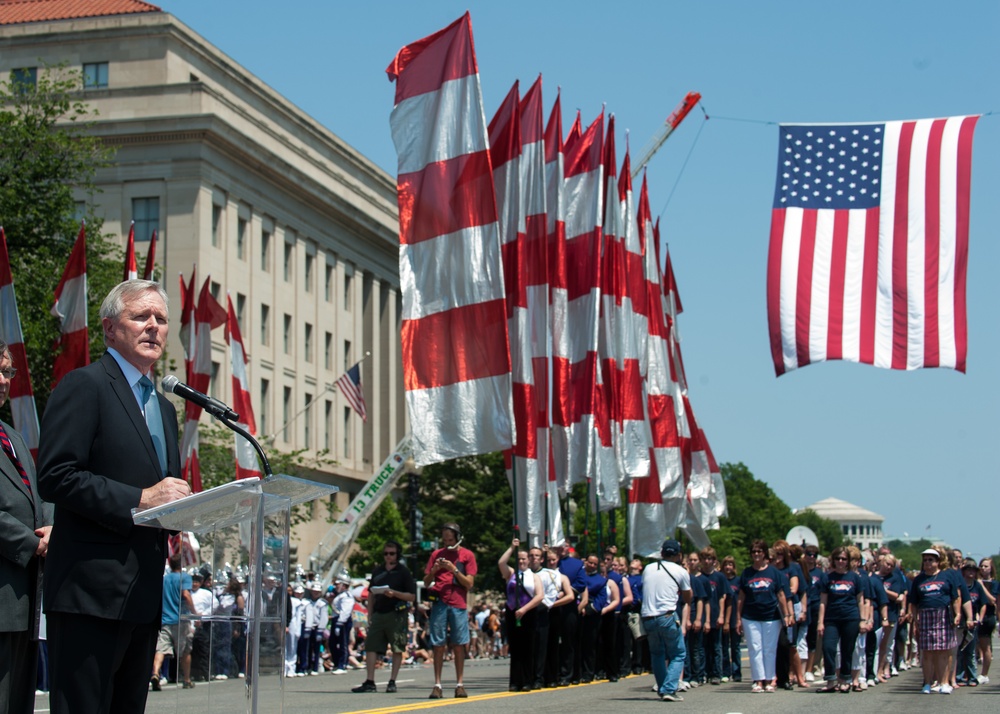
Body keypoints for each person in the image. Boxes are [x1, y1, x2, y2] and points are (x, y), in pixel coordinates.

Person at [37, 280, 190, 714]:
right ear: (109, 328)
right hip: (90, 594)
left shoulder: (164, 407)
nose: (154, 326)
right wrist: (140, 498)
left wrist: (184, 509)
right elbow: (56, 476)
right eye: (141, 316)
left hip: (143, 595)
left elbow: (163, 494)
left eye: (161, 319)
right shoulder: (85, 385)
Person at [0, 340, 53, 714]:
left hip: (26, 600)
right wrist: (30, 543)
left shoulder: (13, 435)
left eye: (8, 372)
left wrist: (52, 527)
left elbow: (38, 493)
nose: (4, 381)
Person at [352, 540, 415, 694]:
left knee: (397, 647)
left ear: (397, 554)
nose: (388, 556)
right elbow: (371, 594)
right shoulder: (377, 571)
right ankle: (370, 681)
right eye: (386, 553)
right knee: (371, 646)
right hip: (379, 613)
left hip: (396, 614)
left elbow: (411, 596)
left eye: (392, 553)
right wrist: (370, 614)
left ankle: (392, 681)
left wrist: (395, 594)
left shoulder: (403, 572)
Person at [423, 522, 477, 699]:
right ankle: (437, 684)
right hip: (439, 602)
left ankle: (459, 684)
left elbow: (469, 584)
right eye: (445, 540)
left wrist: (454, 570)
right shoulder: (436, 554)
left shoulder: (467, 555)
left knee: (459, 644)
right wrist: (434, 570)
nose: (447, 543)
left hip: (458, 604)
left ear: (458, 538)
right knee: (438, 644)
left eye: (450, 540)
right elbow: (426, 582)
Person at [736, 538, 792, 693]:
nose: (756, 554)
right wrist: (738, 618)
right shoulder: (747, 573)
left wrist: (787, 614)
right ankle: (758, 681)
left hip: (771, 616)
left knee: (769, 649)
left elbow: (781, 595)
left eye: (759, 551)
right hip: (750, 616)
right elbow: (741, 597)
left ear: (764, 553)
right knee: (755, 648)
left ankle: (769, 680)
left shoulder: (774, 572)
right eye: (753, 551)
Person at [642, 539, 692, 702]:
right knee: (678, 653)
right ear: (678, 555)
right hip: (667, 615)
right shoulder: (681, 571)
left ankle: (663, 688)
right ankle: (669, 688)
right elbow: (688, 597)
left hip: (648, 616)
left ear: (662, 553)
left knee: (657, 653)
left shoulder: (648, 568)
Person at [909, 546, 962, 694]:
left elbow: (955, 598)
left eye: (931, 560)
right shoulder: (919, 579)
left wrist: (958, 614)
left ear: (938, 561)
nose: (927, 562)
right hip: (925, 615)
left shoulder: (946, 576)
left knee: (943, 651)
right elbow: (913, 602)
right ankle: (927, 683)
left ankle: (944, 682)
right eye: (925, 560)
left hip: (943, 614)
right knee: (927, 652)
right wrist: (915, 618)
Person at [815, 546, 864, 693]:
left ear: (847, 561)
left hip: (851, 617)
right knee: (828, 647)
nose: (840, 561)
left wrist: (862, 620)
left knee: (847, 650)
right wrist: (820, 622)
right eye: (838, 559)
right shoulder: (827, 578)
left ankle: (845, 679)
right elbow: (823, 602)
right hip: (832, 618)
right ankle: (831, 680)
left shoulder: (855, 578)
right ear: (833, 560)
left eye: (843, 559)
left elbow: (860, 600)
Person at [498, 538, 544, 692]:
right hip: (512, 612)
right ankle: (515, 681)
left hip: (528, 613)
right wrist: (512, 547)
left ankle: (527, 681)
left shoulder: (534, 577)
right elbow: (501, 563)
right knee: (515, 648)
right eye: (519, 559)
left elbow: (539, 596)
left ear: (529, 560)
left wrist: (524, 609)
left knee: (527, 648)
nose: (521, 561)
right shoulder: (511, 573)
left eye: (524, 559)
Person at [150, 552, 195, 691]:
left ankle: (155, 673)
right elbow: (186, 594)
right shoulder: (184, 577)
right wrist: (194, 612)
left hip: (165, 619)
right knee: (185, 650)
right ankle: (187, 679)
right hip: (181, 619)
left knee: (161, 649)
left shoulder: (165, 579)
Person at [977, 557, 998, 684]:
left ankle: (984, 674)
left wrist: (981, 586)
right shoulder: (975, 581)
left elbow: (992, 600)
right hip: (975, 615)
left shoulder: (994, 584)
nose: (983, 568)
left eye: (986, 566)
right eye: (981, 566)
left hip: (987, 617)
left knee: (985, 645)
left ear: (991, 568)